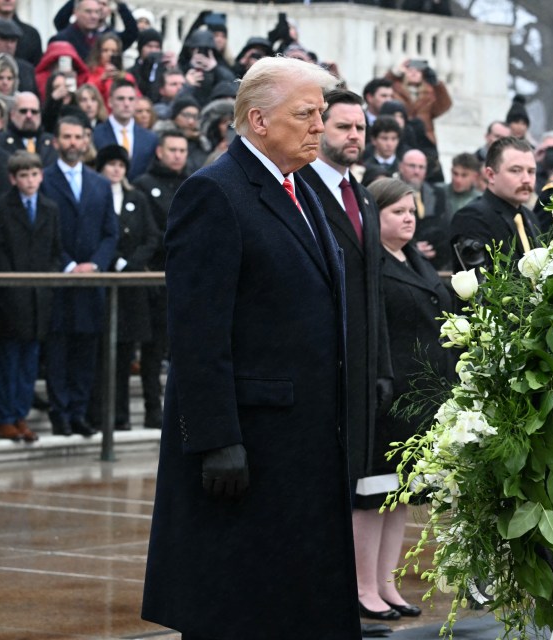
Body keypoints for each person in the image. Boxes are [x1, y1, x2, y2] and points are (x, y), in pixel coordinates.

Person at [141, 56, 361, 639]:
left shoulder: (303, 189)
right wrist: (217, 441)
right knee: (240, 609)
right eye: (306, 113)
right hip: (250, 449)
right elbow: (197, 333)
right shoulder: (214, 193)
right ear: (259, 121)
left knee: (298, 604)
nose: (319, 125)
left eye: (321, 112)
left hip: (305, 441)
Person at [296, 88, 394, 627]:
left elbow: (372, 287)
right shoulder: (302, 188)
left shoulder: (365, 197)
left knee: (353, 484)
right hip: (321, 364)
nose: (353, 136)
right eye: (342, 127)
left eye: (359, 128)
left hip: (361, 369)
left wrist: (380, 365)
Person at [364, 176, 457, 619]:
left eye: (411, 212)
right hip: (389, 392)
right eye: (397, 212)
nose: (408, 219)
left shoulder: (414, 257)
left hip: (419, 395)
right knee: (374, 493)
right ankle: (364, 585)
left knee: (401, 494)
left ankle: (386, 583)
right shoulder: (371, 261)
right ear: (373, 215)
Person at [41, 115, 118, 438]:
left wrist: (96, 264)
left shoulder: (99, 183)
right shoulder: (43, 180)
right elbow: (42, 236)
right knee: (58, 352)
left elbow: (110, 234)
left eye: (78, 137)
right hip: (59, 281)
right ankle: (60, 413)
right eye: (67, 137)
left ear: (86, 140)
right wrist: (69, 265)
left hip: (91, 284)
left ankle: (79, 412)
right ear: (57, 141)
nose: (73, 143)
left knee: (86, 352)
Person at [87, 144, 158, 431]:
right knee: (103, 354)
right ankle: (100, 414)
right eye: (110, 164)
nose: (116, 169)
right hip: (104, 283)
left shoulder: (136, 198)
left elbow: (151, 237)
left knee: (126, 352)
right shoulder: (94, 197)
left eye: (120, 165)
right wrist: (114, 261)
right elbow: (99, 235)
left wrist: (130, 263)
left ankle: (122, 415)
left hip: (132, 288)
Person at [0, 151, 61, 442]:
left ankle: (20, 415)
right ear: (13, 178)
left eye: (34, 174)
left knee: (29, 362)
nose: (30, 180)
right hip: (10, 296)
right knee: (9, 361)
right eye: (23, 175)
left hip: (40, 297)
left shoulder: (50, 208)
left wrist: (46, 281)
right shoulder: (2, 208)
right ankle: (5, 416)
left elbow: (54, 251)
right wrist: (15, 286)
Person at [132, 129, 189, 430]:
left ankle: (179, 411)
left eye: (182, 150)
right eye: (172, 149)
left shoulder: (195, 182)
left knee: (181, 351)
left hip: (187, 279)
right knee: (152, 351)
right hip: (153, 278)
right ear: (159, 152)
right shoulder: (143, 185)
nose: (178, 155)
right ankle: (153, 410)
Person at [450, 136, 540, 271]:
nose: (526, 179)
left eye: (531, 171)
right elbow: (481, 285)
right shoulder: (472, 217)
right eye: (515, 170)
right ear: (491, 175)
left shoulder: (529, 217)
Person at [92, 79, 159, 179]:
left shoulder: (150, 138)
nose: (126, 104)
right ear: (110, 102)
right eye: (121, 99)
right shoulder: (95, 135)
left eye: (131, 99)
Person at [397, 148, 450, 270]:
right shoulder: (391, 193)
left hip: (434, 261)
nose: (417, 171)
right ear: (401, 167)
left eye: (421, 167)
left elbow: (445, 225)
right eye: (412, 166)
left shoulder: (438, 194)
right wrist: (413, 248)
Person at [1, 92, 56, 168]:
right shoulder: (1, 142)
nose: (29, 116)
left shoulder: (53, 143)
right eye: (23, 111)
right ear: (12, 115)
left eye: (34, 111)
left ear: (40, 115)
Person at [439, 151, 481, 216]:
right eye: (455, 174)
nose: (458, 180)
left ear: (475, 176)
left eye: (464, 175)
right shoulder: (437, 193)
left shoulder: (480, 201)